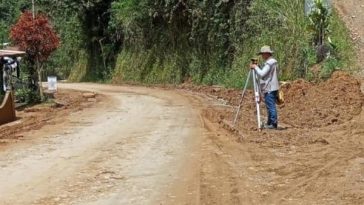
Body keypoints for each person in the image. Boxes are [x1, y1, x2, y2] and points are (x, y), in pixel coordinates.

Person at [250, 46, 280, 129]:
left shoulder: (269, 63)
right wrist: (258, 67)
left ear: (266, 54)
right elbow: (266, 74)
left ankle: (273, 124)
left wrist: (255, 67)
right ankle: (270, 122)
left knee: (271, 106)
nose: (262, 56)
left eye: (262, 54)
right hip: (272, 86)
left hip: (270, 87)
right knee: (269, 105)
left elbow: (262, 74)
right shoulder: (273, 63)